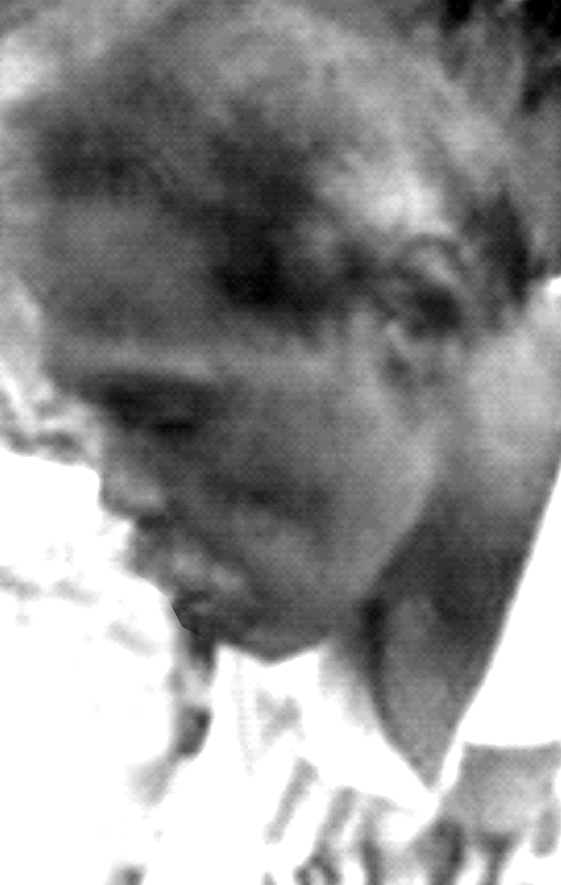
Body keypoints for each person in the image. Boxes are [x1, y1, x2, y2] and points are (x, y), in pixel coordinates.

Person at [3, 0, 561, 880]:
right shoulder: (323, 600)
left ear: (419, 313)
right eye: (93, 420)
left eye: (168, 416)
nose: (121, 493)